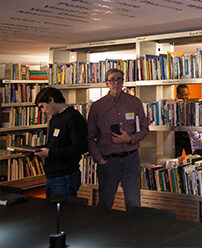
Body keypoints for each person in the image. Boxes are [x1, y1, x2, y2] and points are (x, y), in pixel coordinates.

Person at [87, 69, 149, 210]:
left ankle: (131, 231)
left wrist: (130, 139)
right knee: (105, 203)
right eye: (112, 80)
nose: (116, 83)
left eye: (119, 79)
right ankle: (103, 231)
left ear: (123, 81)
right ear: (106, 83)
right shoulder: (97, 107)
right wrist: (99, 159)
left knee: (133, 203)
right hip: (108, 161)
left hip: (131, 160)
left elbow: (145, 129)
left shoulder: (134, 102)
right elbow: (90, 137)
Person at [34, 87, 88, 199]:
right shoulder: (54, 119)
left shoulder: (73, 118)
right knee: (52, 214)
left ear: (51, 100)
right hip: (52, 175)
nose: (42, 111)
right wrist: (35, 150)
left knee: (65, 214)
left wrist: (50, 153)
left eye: (42, 106)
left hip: (65, 176)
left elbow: (80, 148)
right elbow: (53, 145)